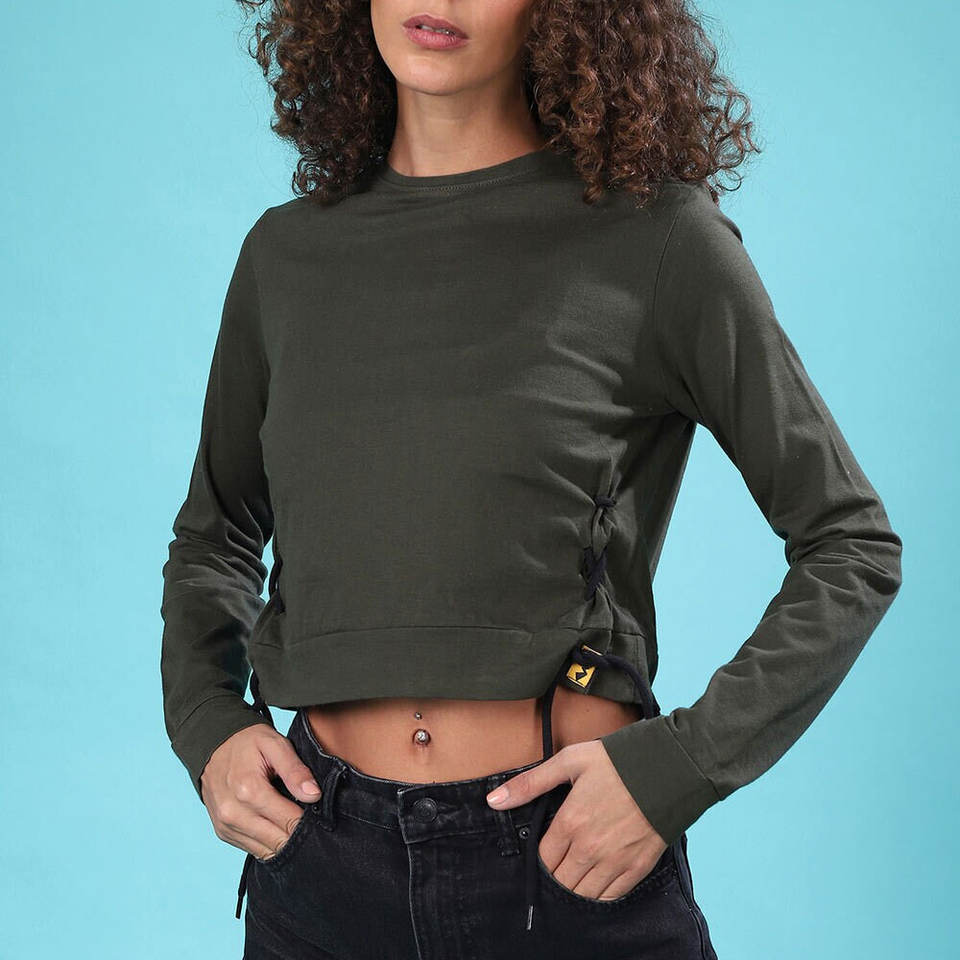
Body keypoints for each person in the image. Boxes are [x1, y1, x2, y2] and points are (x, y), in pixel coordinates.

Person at [159, 2, 903, 957]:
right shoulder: (284, 256)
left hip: (564, 864)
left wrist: (676, 770)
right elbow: (215, 533)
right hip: (318, 869)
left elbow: (850, 544)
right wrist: (208, 722)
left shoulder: (659, 241)